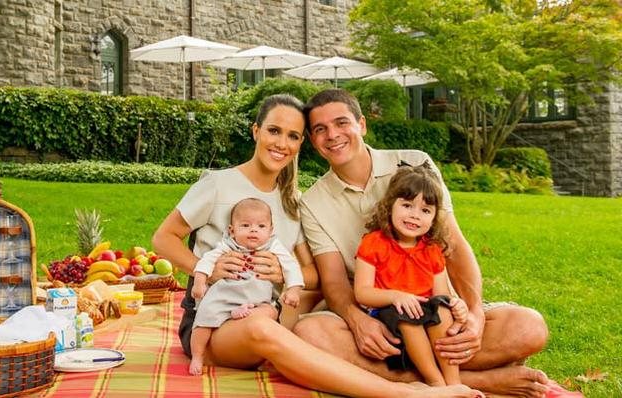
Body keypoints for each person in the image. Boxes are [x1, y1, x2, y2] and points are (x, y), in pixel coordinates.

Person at [153, 93, 483, 397]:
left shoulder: (292, 202)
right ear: (256, 132)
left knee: (290, 323)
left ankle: (440, 380)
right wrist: (206, 269)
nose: (282, 143)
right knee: (266, 327)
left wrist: (283, 271)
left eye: (293, 136)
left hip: (264, 309)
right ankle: (409, 394)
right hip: (212, 322)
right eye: (273, 131)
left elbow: (313, 275)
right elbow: (163, 238)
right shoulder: (218, 183)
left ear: (302, 144)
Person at [294, 88, 550, 397]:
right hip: (380, 321)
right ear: (312, 139)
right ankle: (478, 382)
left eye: (341, 122)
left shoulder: (414, 163)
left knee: (529, 327)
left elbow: (453, 246)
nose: (332, 135)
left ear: (361, 125)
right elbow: (334, 281)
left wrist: (473, 314)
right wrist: (358, 321)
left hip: (437, 315)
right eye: (320, 129)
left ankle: (430, 377)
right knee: (309, 335)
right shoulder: (312, 202)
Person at [354, 163, 468, 386]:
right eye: (407, 205)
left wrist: (456, 305)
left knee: (443, 312)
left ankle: (454, 382)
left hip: (424, 311)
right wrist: (396, 296)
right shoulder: (374, 243)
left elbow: (441, 295)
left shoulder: (432, 249)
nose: (415, 216)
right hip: (388, 312)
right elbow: (362, 293)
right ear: (390, 206)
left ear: (434, 217)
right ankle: (435, 381)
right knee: (408, 317)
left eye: (425, 210)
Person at [189, 197, 304, 375]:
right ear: (232, 230)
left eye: (261, 226)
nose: (253, 230)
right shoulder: (227, 245)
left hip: (256, 301)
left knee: (268, 317)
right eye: (245, 225)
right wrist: (199, 282)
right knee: (203, 321)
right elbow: (207, 260)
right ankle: (197, 355)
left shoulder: (273, 245)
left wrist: (294, 289)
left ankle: (266, 353)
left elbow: (290, 266)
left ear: (271, 230)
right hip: (224, 297)